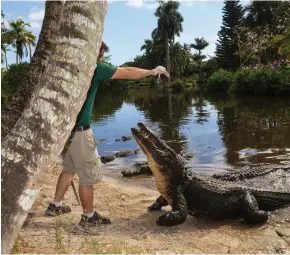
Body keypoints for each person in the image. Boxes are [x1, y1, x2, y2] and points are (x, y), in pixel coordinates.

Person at [45, 41, 170, 227]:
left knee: (69, 169)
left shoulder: (69, 67)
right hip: (80, 132)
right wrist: (153, 71)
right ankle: (88, 217)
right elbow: (127, 73)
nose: (101, 58)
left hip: (65, 131)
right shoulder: (93, 67)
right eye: (100, 54)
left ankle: (55, 206)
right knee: (87, 176)